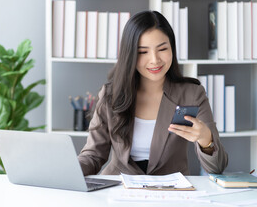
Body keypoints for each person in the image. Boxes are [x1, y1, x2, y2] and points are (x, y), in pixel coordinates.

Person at [78, 10, 228, 176]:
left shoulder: (192, 94)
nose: (154, 60)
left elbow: (217, 168)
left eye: (162, 49)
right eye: (143, 52)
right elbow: (93, 156)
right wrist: (68, 170)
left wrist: (206, 139)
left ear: (172, 48)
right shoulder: (111, 94)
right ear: (130, 55)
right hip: (119, 191)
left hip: (171, 193)